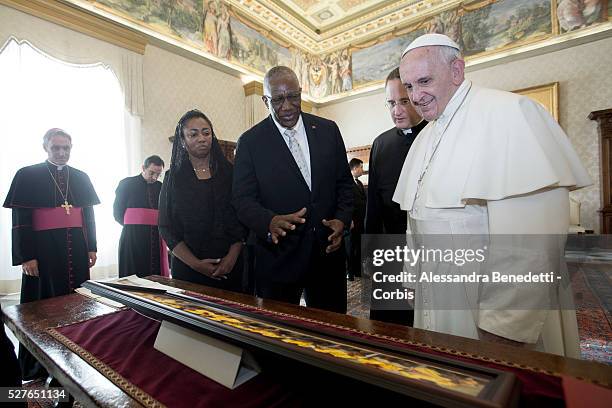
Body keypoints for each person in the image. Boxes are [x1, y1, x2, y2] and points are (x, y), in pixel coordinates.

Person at [392, 33, 591, 356]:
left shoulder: (509, 113)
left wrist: (506, 326)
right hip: (439, 299)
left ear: (457, 70)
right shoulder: (425, 137)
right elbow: (415, 224)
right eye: (409, 86)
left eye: (424, 81)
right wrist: (413, 278)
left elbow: (530, 243)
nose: (416, 96)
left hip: (488, 313)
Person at [233, 66, 353, 313]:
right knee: (280, 336)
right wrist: (269, 222)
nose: (287, 106)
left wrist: (342, 220)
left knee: (332, 333)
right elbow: (242, 199)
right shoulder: (250, 142)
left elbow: (344, 184)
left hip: (327, 257)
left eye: (293, 97)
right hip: (278, 258)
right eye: (277, 99)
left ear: (301, 93)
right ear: (266, 100)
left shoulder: (328, 130)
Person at [3, 128, 99, 379]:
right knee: (42, 306)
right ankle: (38, 364)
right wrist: (26, 256)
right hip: (43, 252)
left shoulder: (80, 176)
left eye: (66, 148)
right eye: (56, 147)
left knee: (77, 301)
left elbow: (87, 216)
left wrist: (92, 246)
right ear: (45, 147)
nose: (61, 152)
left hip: (76, 248)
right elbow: (20, 220)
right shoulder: (27, 175)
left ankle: (78, 351)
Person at [159, 110, 245, 292]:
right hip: (188, 269)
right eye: (193, 134)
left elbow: (242, 220)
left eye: (206, 133)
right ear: (182, 140)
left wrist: (230, 259)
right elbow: (166, 227)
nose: (201, 138)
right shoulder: (173, 178)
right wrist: (196, 264)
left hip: (230, 266)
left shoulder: (230, 173)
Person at [366, 67, 426, 326]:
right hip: (391, 252)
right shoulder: (380, 144)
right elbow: (374, 207)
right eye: (391, 103)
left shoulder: (436, 135)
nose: (396, 110)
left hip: (429, 252)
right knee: (389, 328)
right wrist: (369, 252)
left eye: (403, 101)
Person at [113, 155, 168, 278]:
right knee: (133, 274)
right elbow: (117, 212)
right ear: (143, 168)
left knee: (155, 274)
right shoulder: (126, 183)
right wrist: (135, 225)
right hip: (132, 236)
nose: (154, 177)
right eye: (151, 173)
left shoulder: (161, 187)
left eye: (158, 174)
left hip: (155, 236)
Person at [347, 158, 366, 281]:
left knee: (359, 246)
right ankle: (350, 272)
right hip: (352, 221)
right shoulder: (347, 184)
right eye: (361, 167)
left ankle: (358, 270)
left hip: (361, 220)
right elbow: (347, 203)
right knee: (351, 247)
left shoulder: (358, 183)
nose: (362, 170)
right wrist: (349, 220)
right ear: (354, 169)